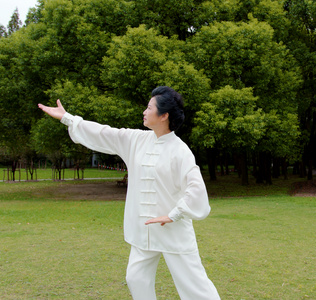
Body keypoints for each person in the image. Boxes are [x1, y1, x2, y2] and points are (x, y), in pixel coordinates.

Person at [38, 86, 220, 300]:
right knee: (136, 278)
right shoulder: (136, 140)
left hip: (173, 231)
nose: (144, 111)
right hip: (144, 231)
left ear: (164, 115)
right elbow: (105, 133)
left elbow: (196, 187)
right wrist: (68, 118)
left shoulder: (180, 151)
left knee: (194, 286)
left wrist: (174, 214)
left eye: (149, 107)